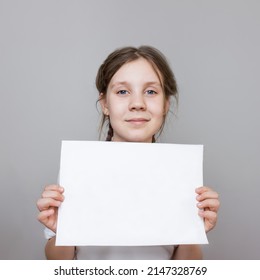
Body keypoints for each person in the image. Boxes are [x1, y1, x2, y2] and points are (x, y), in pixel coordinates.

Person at [37, 46, 220, 260]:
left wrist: (194, 231)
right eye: (123, 91)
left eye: (151, 91)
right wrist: (63, 232)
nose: (137, 104)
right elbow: (59, 264)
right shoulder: (79, 170)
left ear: (165, 104)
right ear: (105, 103)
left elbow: (186, 270)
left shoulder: (181, 176)